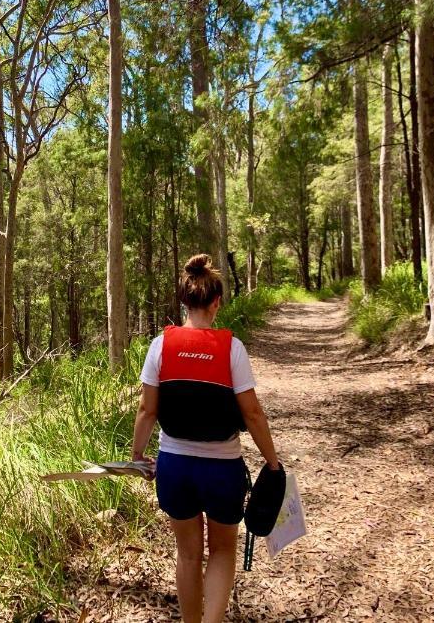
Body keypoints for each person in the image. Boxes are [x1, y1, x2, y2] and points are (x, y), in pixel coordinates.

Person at [131, 253, 280, 623]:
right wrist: (273, 463)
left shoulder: (159, 346)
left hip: (174, 468)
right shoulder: (232, 349)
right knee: (223, 550)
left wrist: (137, 455)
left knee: (187, 554)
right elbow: (252, 413)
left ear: (184, 301)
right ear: (217, 302)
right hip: (222, 471)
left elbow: (147, 411)